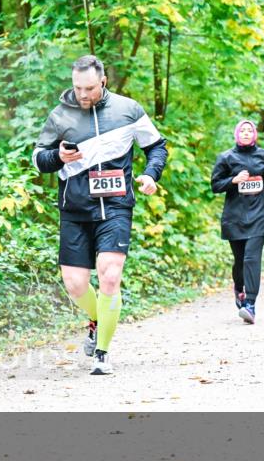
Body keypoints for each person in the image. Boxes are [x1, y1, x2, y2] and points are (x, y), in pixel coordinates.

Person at [32, 55, 168, 375]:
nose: (82, 94)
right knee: (76, 284)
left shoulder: (128, 110)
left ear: (103, 81)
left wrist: (151, 174)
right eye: (77, 87)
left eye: (89, 88)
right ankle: (96, 320)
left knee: (109, 274)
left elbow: (157, 146)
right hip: (75, 209)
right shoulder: (60, 114)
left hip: (117, 205)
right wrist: (58, 156)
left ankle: (103, 354)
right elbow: (39, 159)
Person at [210, 119, 264, 324]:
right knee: (240, 262)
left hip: (258, 216)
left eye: (250, 130)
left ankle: (250, 304)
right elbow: (215, 185)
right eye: (244, 130)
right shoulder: (226, 157)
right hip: (235, 217)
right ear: (238, 134)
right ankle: (239, 288)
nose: (247, 133)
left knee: (252, 259)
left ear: (255, 134)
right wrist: (233, 180)